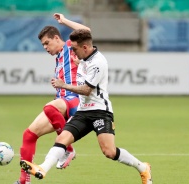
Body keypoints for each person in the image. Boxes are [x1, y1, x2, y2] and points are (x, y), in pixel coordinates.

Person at [20, 29, 153, 184]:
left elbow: (86, 90)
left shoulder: (98, 63)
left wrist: (64, 85)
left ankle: (143, 168)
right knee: (62, 138)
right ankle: (43, 168)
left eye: (75, 49)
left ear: (84, 48)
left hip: (100, 112)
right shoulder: (82, 59)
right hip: (83, 112)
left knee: (109, 152)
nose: (73, 53)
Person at [14, 13, 91, 184]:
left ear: (57, 38)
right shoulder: (58, 59)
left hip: (75, 100)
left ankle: (68, 149)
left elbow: (86, 31)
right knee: (29, 135)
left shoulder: (71, 46)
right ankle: (24, 181)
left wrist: (64, 21)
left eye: (47, 43)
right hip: (63, 101)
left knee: (49, 107)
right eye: (43, 45)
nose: (45, 48)